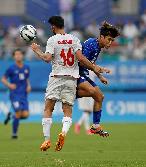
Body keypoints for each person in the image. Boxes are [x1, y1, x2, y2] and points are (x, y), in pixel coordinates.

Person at [31, 16, 110, 152]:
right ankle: (63, 133)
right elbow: (80, 58)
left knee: (48, 108)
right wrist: (97, 69)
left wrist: (37, 50)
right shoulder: (75, 39)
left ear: (53, 27)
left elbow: (47, 58)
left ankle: (46, 140)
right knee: (67, 110)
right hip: (72, 79)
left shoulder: (52, 40)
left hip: (56, 77)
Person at [77, 21, 120, 137]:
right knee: (92, 92)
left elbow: (91, 64)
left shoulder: (98, 47)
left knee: (100, 96)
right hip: (75, 73)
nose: (110, 43)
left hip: (84, 73)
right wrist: (98, 68)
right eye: (109, 39)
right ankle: (69, 94)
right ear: (102, 37)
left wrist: (100, 76)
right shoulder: (91, 43)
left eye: (112, 40)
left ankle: (95, 126)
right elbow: (81, 61)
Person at [1, 48, 31, 139]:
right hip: (14, 94)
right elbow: (3, 79)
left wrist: (29, 86)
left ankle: (11, 116)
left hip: (24, 94)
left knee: (25, 115)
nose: (18, 56)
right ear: (14, 57)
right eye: (16, 54)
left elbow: (26, 78)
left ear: (22, 56)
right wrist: (9, 85)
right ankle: (14, 134)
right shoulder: (11, 68)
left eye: (19, 54)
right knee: (18, 112)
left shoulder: (26, 67)